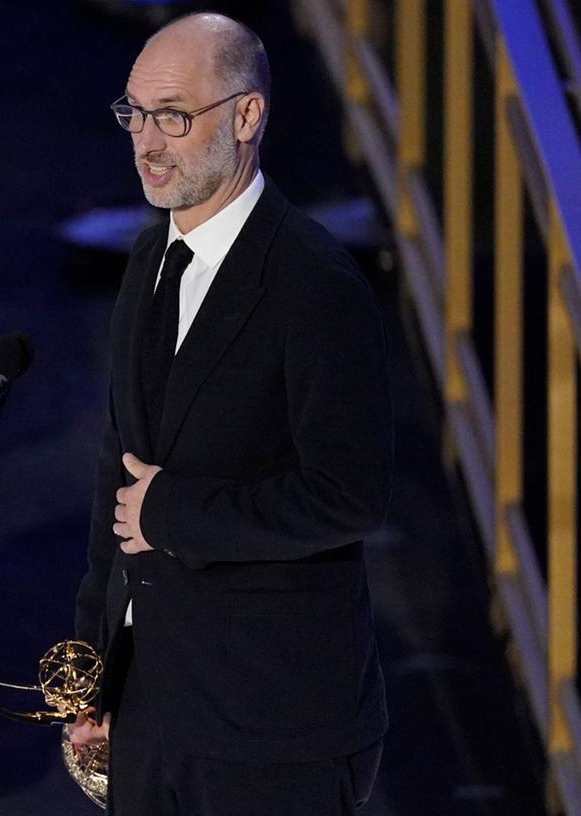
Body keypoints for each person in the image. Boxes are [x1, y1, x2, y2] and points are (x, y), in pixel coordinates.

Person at [69, 13, 392, 815]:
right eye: (134, 114)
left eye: (173, 116)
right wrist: (93, 673)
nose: (146, 142)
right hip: (153, 709)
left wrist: (173, 513)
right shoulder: (149, 255)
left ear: (247, 116)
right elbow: (119, 471)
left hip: (271, 727)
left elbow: (347, 495)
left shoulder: (315, 285)